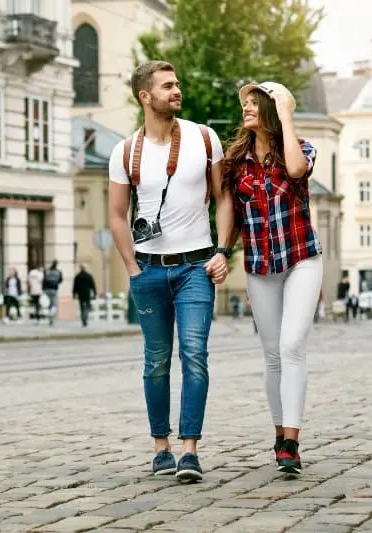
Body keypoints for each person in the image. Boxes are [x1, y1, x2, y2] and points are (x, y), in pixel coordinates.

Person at [108, 60, 234, 482]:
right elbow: (115, 215)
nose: (176, 90)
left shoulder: (204, 137)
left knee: (194, 356)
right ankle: (160, 447)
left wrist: (223, 250)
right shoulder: (125, 151)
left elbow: (224, 198)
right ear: (146, 95)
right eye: (167, 85)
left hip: (196, 267)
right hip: (148, 270)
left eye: (177, 83)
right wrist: (131, 268)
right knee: (156, 361)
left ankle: (189, 450)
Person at [222, 81, 323, 476]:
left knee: (291, 344)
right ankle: (280, 435)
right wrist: (221, 251)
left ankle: (293, 442)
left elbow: (297, 170)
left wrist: (285, 114)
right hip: (260, 266)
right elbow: (230, 212)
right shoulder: (236, 161)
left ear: (271, 109)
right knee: (272, 354)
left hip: (301, 259)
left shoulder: (299, 149)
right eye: (244, 104)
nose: (245, 109)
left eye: (253, 103)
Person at [43, 260, 63, 326]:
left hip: (47, 289)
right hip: (54, 289)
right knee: (54, 305)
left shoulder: (47, 271)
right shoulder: (58, 272)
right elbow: (60, 280)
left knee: (50, 304)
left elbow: (44, 280)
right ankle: (51, 316)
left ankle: (50, 318)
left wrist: (43, 288)